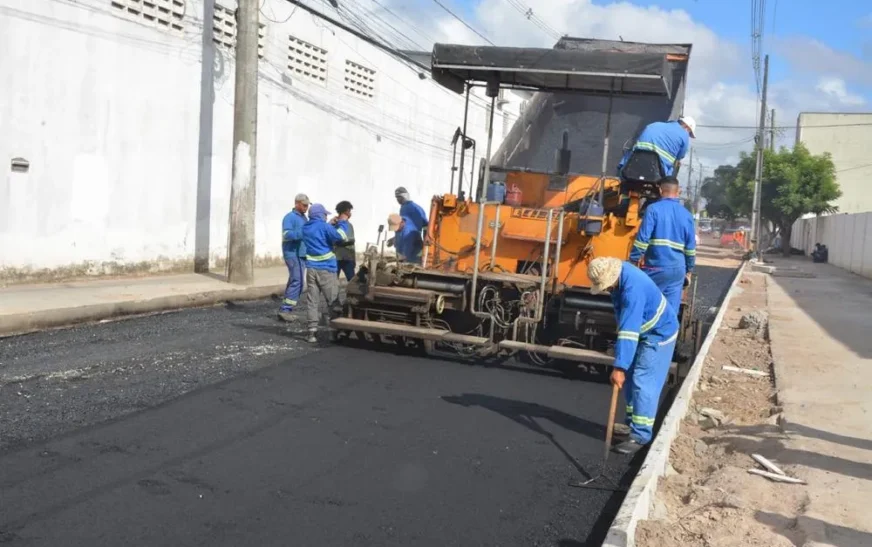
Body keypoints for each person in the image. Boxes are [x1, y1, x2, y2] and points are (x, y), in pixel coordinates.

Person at [588, 257, 679, 455]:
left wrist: (619, 367)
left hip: (658, 334)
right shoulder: (621, 278)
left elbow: (629, 330)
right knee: (629, 381)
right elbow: (625, 323)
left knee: (642, 381)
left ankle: (640, 435)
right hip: (643, 332)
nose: (606, 289)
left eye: (606, 286)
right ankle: (632, 424)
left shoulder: (632, 290)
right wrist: (623, 359)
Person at [629, 177, 697, 314]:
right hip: (678, 269)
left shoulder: (653, 209)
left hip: (655, 267)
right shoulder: (687, 215)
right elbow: (690, 248)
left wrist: (633, 260)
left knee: (649, 308)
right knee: (670, 312)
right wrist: (689, 268)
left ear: (660, 190)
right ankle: (668, 334)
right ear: (679, 191)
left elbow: (642, 240)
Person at [302, 203, 349, 343]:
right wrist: (343, 222)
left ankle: (311, 332)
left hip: (311, 269)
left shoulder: (306, 227)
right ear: (320, 215)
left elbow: (320, 233)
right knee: (333, 300)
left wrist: (330, 224)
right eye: (324, 214)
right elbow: (341, 237)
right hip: (326, 269)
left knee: (312, 301)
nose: (326, 216)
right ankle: (333, 331)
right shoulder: (324, 227)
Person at [618, 116, 696, 178]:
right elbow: (680, 156)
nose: (688, 135)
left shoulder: (654, 124)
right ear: (687, 128)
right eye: (689, 133)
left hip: (634, 162)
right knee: (673, 167)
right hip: (658, 170)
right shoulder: (684, 135)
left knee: (628, 154)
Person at [278, 193, 309, 322]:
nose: (306, 207)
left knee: (294, 280)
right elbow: (287, 234)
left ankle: (285, 308)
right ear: (297, 204)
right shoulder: (289, 217)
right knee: (298, 281)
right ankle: (286, 309)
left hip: (301, 254)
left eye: (307, 205)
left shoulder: (304, 218)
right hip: (292, 254)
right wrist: (302, 233)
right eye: (304, 205)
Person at [333, 201, 356, 281]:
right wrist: (349, 241)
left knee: (352, 282)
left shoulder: (349, 225)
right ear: (346, 211)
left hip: (348, 257)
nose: (350, 213)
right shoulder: (334, 223)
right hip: (337, 257)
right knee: (333, 282)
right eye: (349, 211)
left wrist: (353, 259)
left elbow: (352, 245)